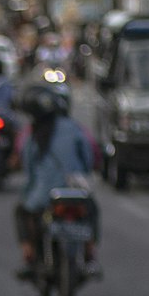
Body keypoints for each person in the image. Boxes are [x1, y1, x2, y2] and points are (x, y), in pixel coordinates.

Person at [15, 85, 98, 278]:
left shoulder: (31, 134)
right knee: (92, 212)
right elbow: (88, 158)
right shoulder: (75, 128)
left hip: (42, 196)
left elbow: (28, 168)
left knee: (21, 212)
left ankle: (28, 255)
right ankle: (90, 255)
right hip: (76, 191)